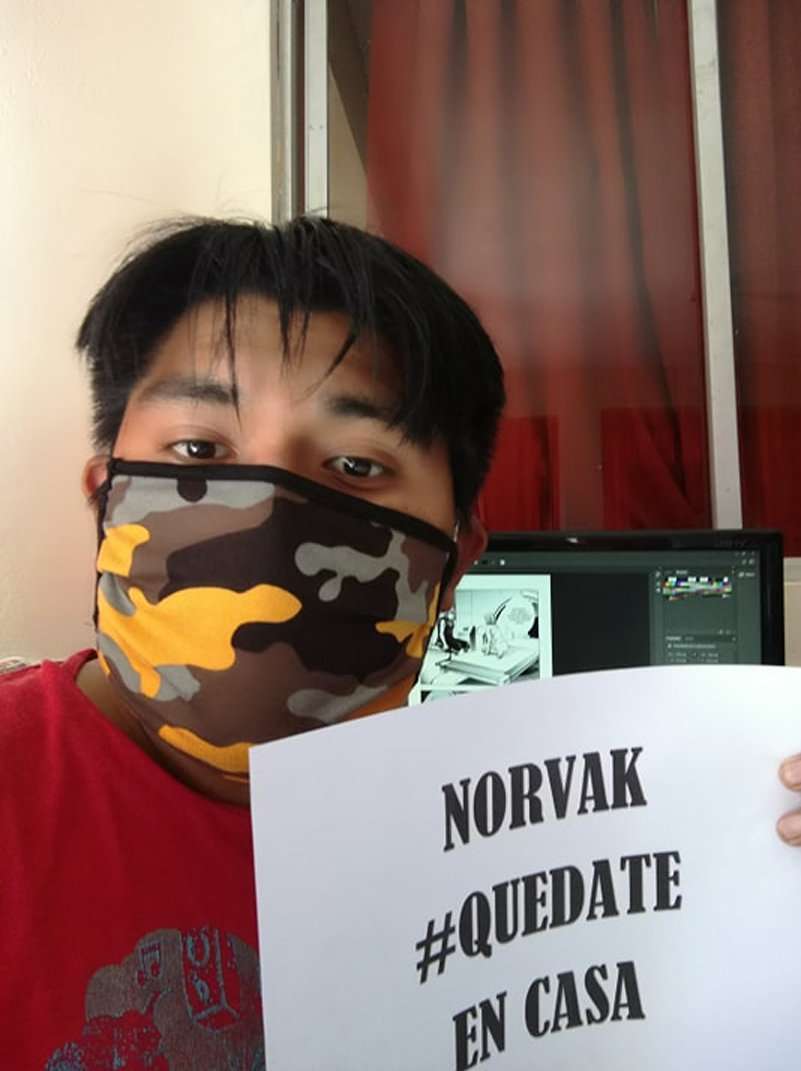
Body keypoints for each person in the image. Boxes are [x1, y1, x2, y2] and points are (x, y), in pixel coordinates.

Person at [2, 216, 800, 1067]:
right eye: (199, 447)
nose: (267, 514)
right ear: (107, 499)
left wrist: (765, 870)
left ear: (455, 559)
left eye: (355, 466)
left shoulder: (561, 827)